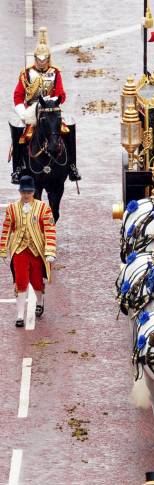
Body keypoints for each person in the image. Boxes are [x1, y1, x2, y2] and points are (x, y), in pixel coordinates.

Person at [12, 26, 81, 183]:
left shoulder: (55, 72)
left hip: (50, 108)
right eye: (39, 59)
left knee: (68, 129)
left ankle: (72, 166)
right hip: (31, 110)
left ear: (49, 59)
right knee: (19, 131)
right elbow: (18, 95)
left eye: (45, 60)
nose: (42, 63)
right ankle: (18, 168)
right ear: (35, 58)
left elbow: (61, 94)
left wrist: (53, 101)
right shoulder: (26, 73)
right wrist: (23, 112)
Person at [0, 176, 56, 327]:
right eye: (24, 192)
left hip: (37, 249)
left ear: (33, 192)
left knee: (37, 282)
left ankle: (39, 301)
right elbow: (6, 229)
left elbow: (49, 230)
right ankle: (19, 315)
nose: (26, 195)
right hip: (19, 249)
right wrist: (3, 249)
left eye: (29, 192)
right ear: (20, 192)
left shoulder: (43, 207)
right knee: (21, 281)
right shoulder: (12, 208)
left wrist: (50, 251)